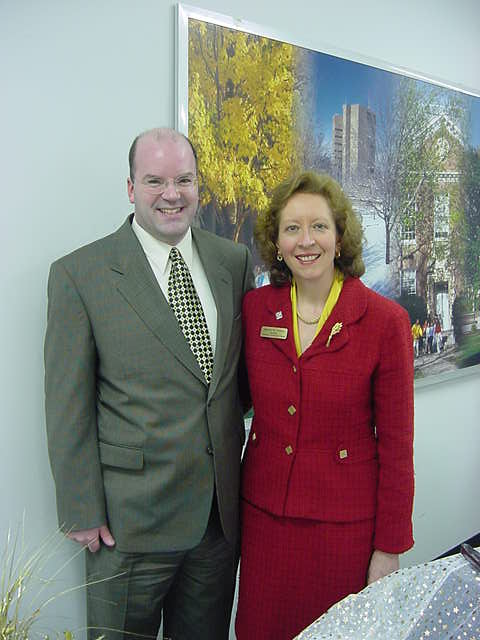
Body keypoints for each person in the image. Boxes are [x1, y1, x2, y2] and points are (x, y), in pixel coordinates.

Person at [44, 128, 253, 639]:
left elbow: (237, 384)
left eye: (184, 179)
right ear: (130, 188)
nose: (171, 193)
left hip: (216, 525)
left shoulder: (233, 261)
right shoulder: (81, 274)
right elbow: (67, 404)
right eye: (155, 180)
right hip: (127, 526)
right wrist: (80, 509)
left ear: (199, 185)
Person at [235, 172, 414, 640]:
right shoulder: (256, 311)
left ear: (340, 237)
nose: (305, 240)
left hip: (344, 533)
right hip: (265, 526)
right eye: (292, 228)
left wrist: (389, 548)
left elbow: (397, 449)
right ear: (276, 242)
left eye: (319, 226)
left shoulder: (384, 322)